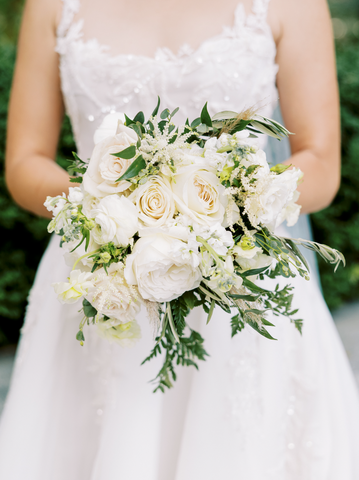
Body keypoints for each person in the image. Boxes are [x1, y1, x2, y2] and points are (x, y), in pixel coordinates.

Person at [1, 0, 359, 478]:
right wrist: (112, 207)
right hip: (100, 276)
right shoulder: (52, 5)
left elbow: (320, 161)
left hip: (242, 283)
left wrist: (225, 207)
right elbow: (24, 162)